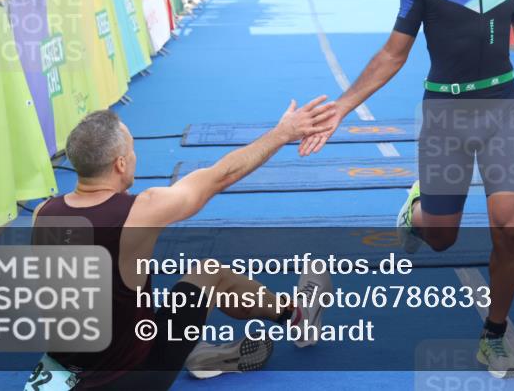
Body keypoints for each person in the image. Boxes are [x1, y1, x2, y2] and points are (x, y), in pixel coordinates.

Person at [299, 0, 514, 379]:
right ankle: (416, 207)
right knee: (440, 236)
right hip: (445, 113)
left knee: (510, 225)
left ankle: (494, 335)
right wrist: (343, 108)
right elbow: (394, 53)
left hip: (502, 108)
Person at [30, 98, 336, 388]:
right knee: (210, 273)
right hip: (133, 379)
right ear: (121, 164)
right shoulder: (139, 212)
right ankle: (298, 315)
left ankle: (201, 352)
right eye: (133, 150)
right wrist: (283, 133)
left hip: (63, 377)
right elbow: (221, 175)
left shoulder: (43, 213)